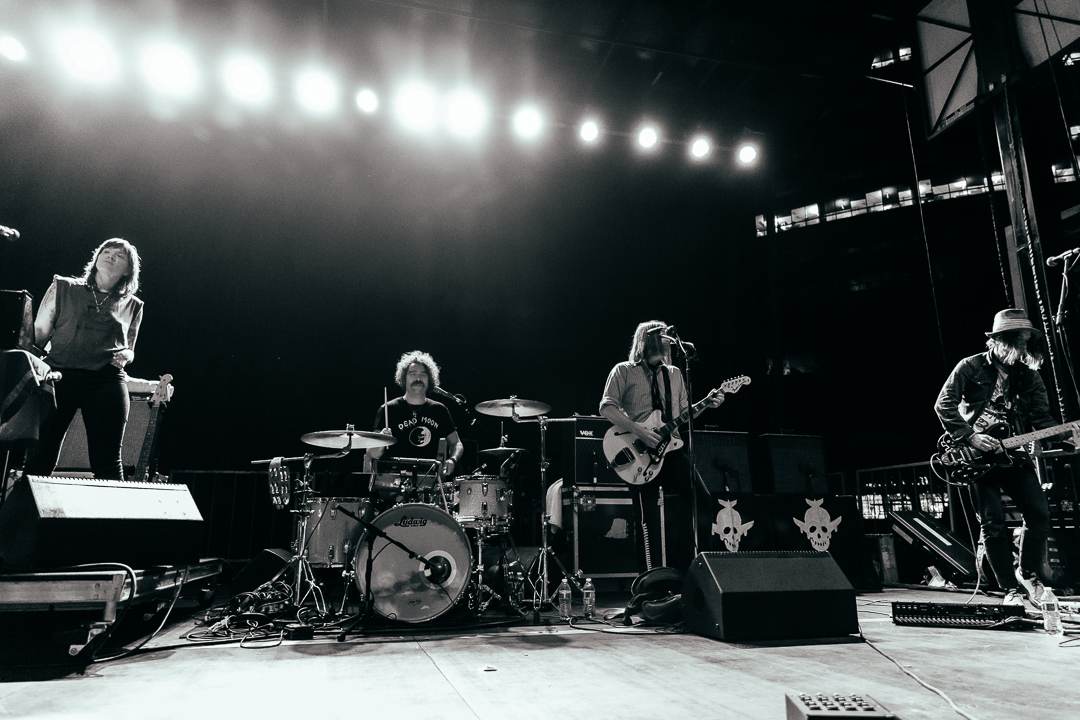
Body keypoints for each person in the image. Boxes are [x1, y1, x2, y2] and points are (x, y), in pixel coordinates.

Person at [934, 308, 1056, 606]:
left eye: (1027, 341)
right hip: (976, 456)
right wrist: (971, 436)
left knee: (1039, 515)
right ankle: (1009, 590)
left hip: (1014, 454)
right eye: (1019, 341)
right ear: (1001, 340)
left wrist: (1066, 434)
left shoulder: (1028, 376)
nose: (1024, 347)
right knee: (993, 523)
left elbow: (1041, 418)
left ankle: (1026, 573)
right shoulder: (970, 366)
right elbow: (943, 404)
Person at [599, 321, 724, 572]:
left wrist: (707, 404)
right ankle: (649, 581)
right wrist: (640, 432)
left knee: (701, 500)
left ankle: (699, 569)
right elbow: (607, 407)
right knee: (647, 520)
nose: (667, 341)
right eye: (662, 336)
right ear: (647, 339)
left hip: (673, 451)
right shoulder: (623, 370)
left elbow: (684, 414)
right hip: (639, 454)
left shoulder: (675, 373)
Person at [24, 239, 143, 480]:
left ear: (128, 270)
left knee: (108, 463)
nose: (110, 256)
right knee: (41, 456)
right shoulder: (63, 287)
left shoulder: (133, 305)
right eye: (106, 251)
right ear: (96, 259)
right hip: (60, 375)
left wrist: (127, 356)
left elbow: (129, 348)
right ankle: (23, 504)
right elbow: (38, 335)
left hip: (105, 380)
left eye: (119, 255)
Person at [368, 351, 463, 477]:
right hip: (393, 480)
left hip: (427, 478)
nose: (418, 379)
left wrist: (453, 460)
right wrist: (381, 442)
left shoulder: (439, 410)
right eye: (413, 374)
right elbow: (371, 453)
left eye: (423, 374)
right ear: (404, 378)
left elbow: (456, 443)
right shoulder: (389, 409)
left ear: (429, 379)